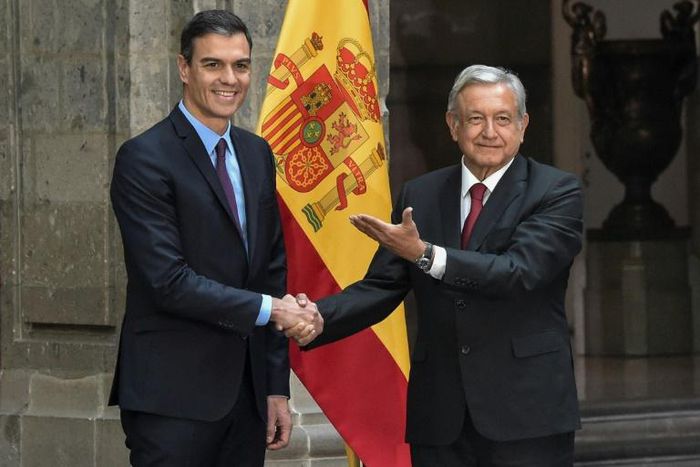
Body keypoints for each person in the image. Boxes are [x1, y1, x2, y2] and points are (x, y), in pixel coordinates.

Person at [297, 64, 583, 466]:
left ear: (523, 125)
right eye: (475, 119)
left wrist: (426, 256)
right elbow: (384, 285)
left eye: (502, 119)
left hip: (526, 412)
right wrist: (317, 317)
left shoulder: (556, 190)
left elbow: (518, 272)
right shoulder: (422, 193)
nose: (489, 132)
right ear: (453, 125)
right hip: (440, 413)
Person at [109, 10, 322, 466]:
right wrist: (274, 310)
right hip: (172, 400)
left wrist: (273, 387)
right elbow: (167, 281)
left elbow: (270, 270)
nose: (230, 79)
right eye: (213, 65)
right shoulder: (144, 159)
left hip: (245, 399)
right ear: (184, 69)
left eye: (241, 65)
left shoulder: (257, 153)